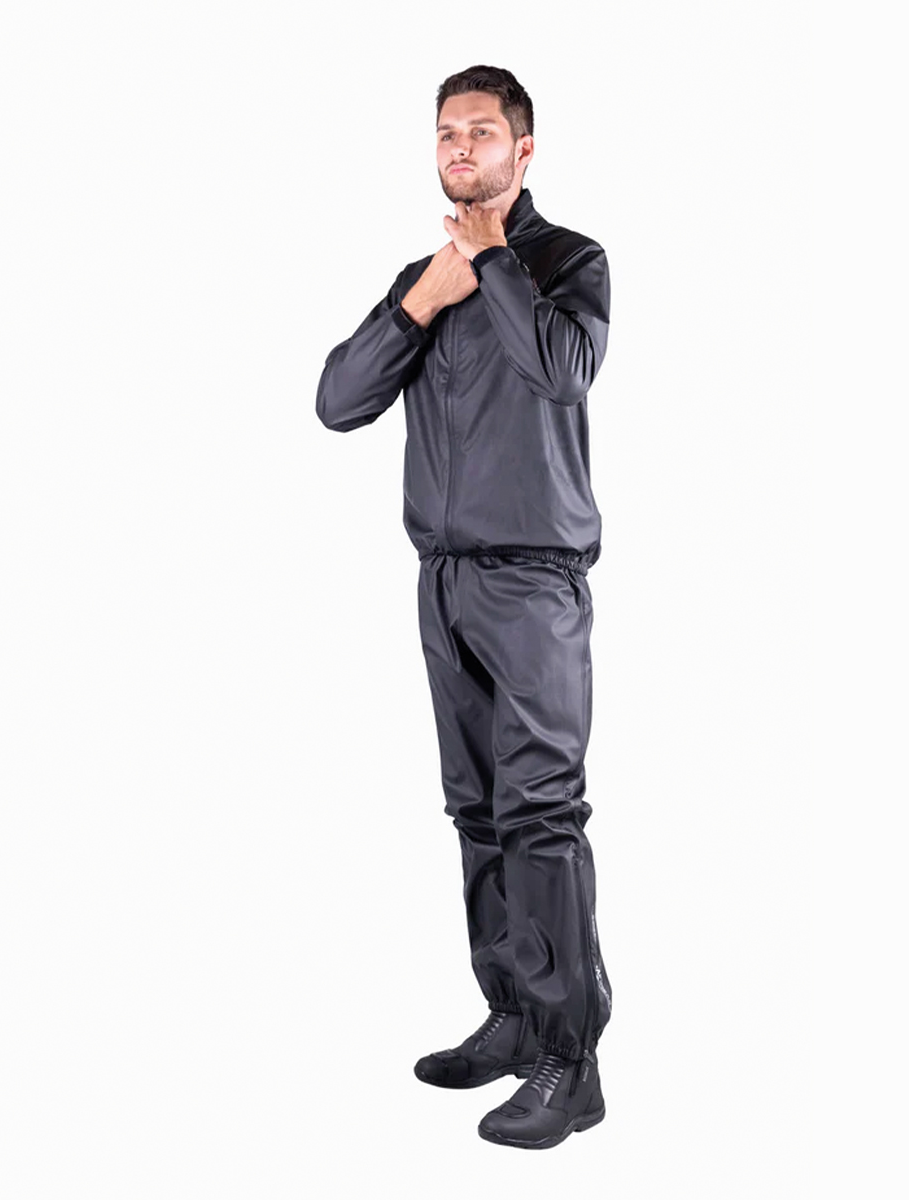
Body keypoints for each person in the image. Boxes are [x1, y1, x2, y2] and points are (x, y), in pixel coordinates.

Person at [315, 64, 613, 1150]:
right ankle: (512, 1013)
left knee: (541, 815)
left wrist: (490, 262)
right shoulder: (423, 280)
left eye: (482, 132)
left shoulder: (568, 261)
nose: (460, 147)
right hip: (443, 583)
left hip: (534, 584)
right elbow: (337, 400)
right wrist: (422, 301)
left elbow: (563, 368)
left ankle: (571, 1062)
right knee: (478, 812)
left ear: (522, 151)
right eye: (447, 132)